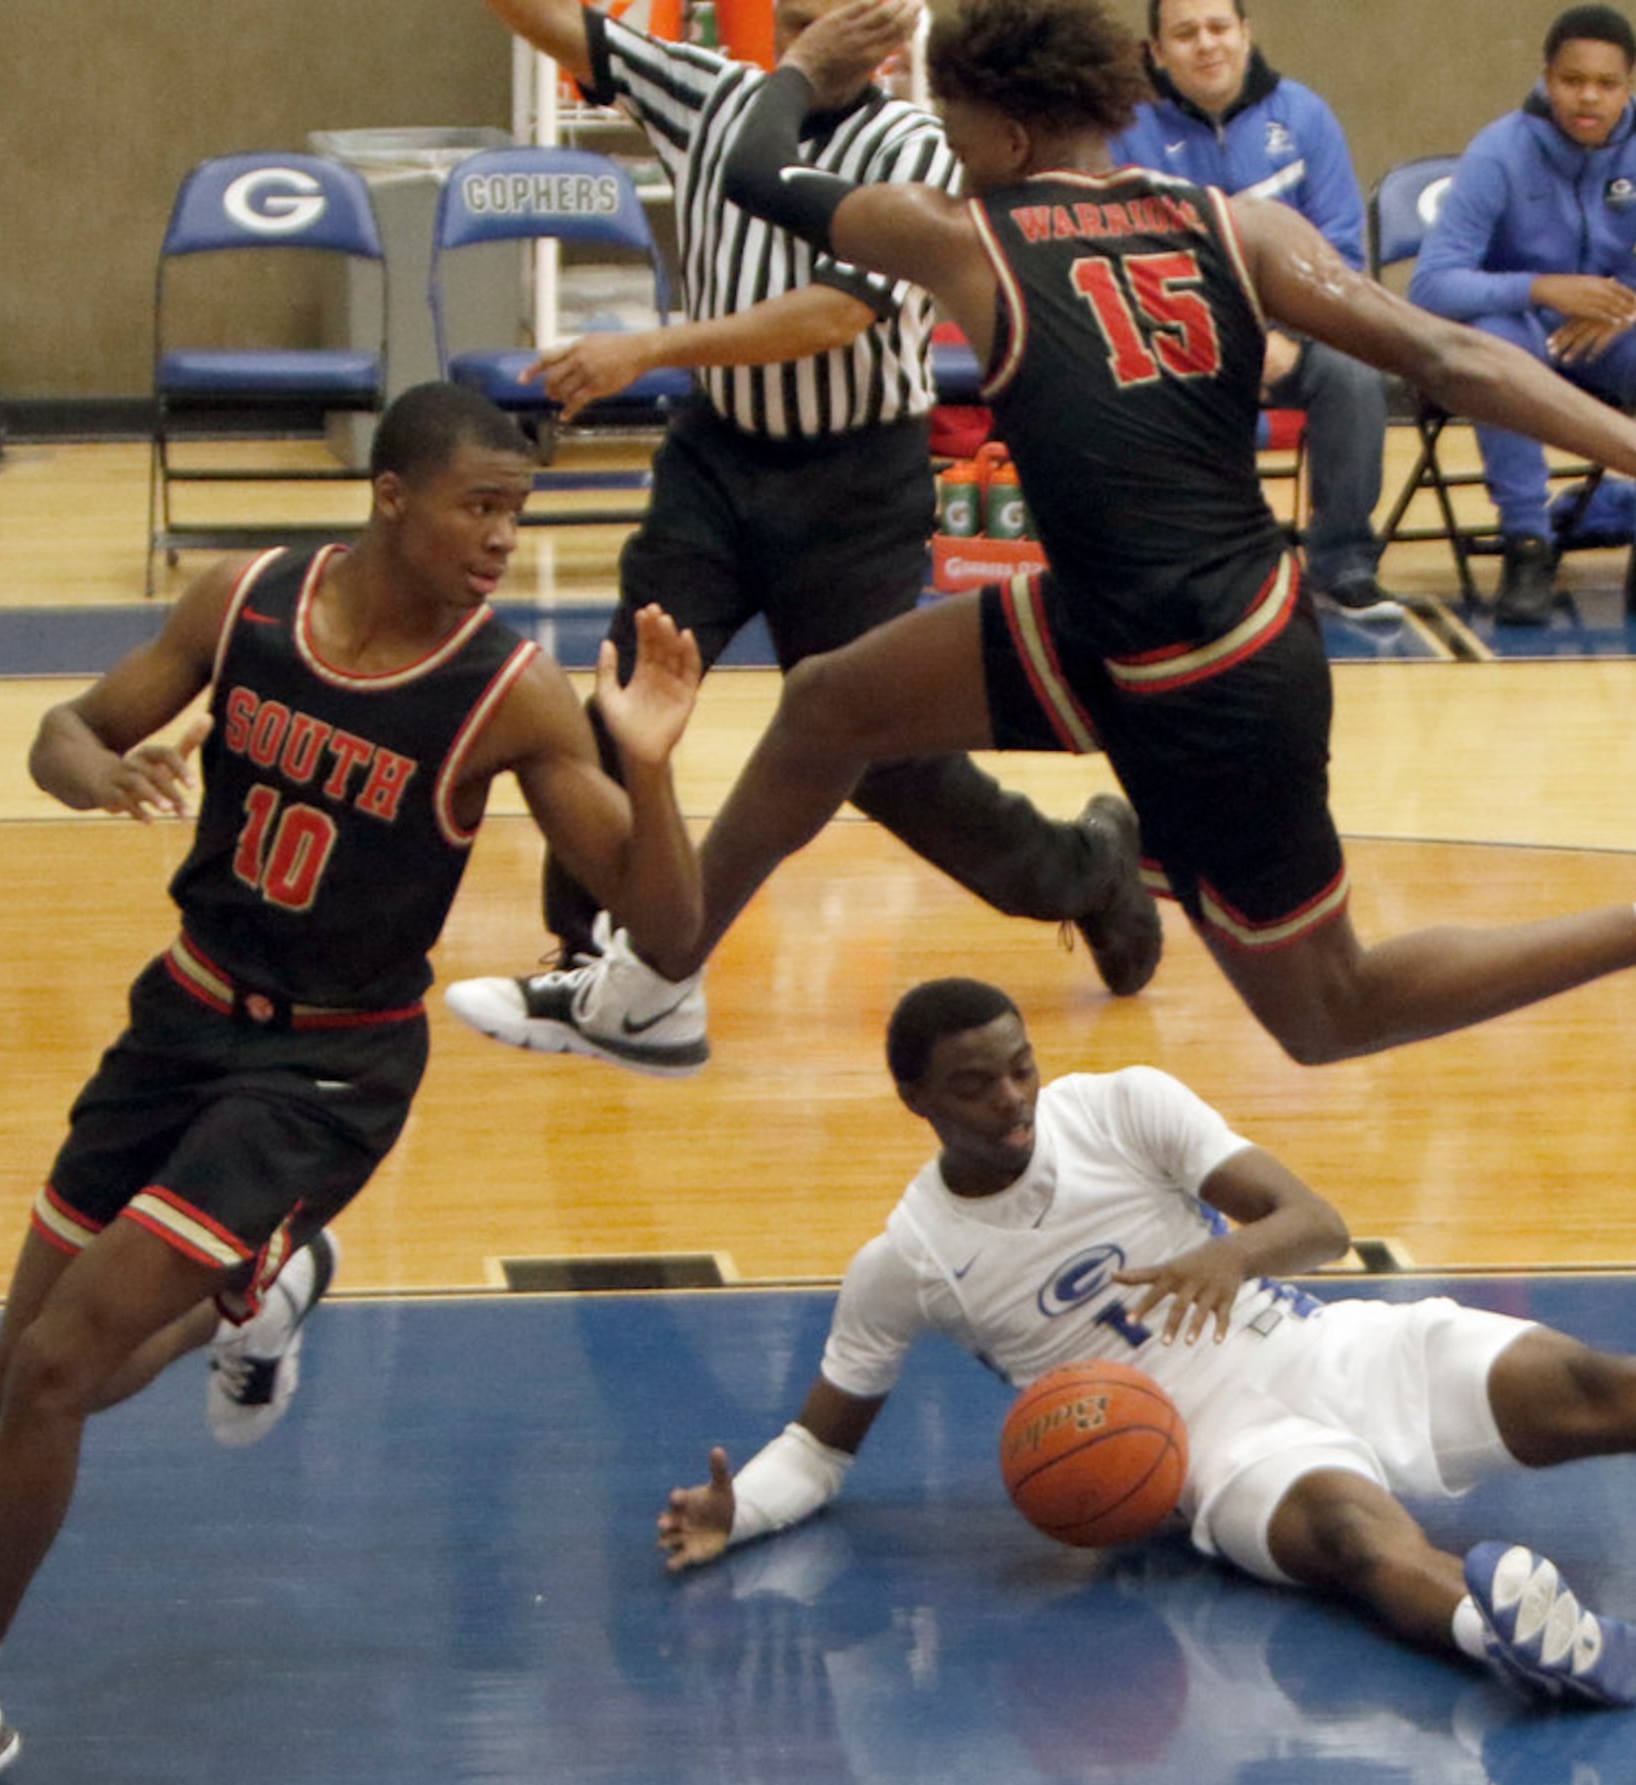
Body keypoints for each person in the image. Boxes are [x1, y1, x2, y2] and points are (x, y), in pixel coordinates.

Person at [520, 0, 1636, 1080]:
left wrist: (800, 69)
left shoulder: (963, 237)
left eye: (953, 115)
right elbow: (1450, 352)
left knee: (1329, 1013)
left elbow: (752, 168)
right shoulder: (1240, 227)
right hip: (1124, 613)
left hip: (1210, 674)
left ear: (1004, 122)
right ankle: (654, 984)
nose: (943, 134)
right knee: (829, 701)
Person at [0, 382, 705, 1785]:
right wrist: (94, 769)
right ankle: (266, 1291)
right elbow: (65, 724)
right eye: (479, 506)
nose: (502, 538)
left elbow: (664, 928)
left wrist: (652, 768)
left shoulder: (509, 690)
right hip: (181, 1015)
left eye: (517, 513)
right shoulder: (242, 602)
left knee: (54, 1372)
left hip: (328, 1069)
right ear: (392, 495)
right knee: (25, 1382)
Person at [655, 978, 1636, 1707]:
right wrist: (743, 1508)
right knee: (1365, 1543)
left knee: (1599, 1384)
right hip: (1201, 1451)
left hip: (1317, 1342)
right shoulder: (907, 1259)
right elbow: (821, 1450)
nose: (1012, 1095)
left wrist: (1224, 1253)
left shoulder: (1119, 1102)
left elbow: (1316, 1218)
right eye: (974, 1083)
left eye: (1016, 1063)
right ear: (913, 1099)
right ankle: (1509, 1638)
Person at [443, 0, 1162, 1077]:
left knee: (888, 763)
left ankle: (1083, 873)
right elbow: (565, 30)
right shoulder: (707, 95)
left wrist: (651, 346)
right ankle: (594, 957)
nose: (807, 16)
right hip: (717, 463)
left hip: (855, 485)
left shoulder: (917, 145)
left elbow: (836, 312)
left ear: (887, 24)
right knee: (622, 693)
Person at [1407, 5, 1636, 626]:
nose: (1588, 98)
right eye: (1572, 81)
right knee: (1495, 341)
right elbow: (1432, 286)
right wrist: (1544, 289)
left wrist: (1635, 308)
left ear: (1628, 87)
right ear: (1547, 78)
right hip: (1526, 328)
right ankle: (1528, 544)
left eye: (1606, 85)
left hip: (1610, 330)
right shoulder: (1500, 150)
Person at [1109, 0, 1404, 627]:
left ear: (1246, 33)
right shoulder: (1125, 131)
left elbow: (1341, 256)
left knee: (1353, 374)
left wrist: (1286, 333)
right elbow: (1124, 259)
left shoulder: (1305, 117)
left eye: (1220, 28)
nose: (1206, 45)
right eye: (1185, 34)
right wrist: (1236, 336)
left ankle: (1341, 559)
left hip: (1298, 336)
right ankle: (1189, 563)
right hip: (1176, 339)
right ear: (1156, 52)